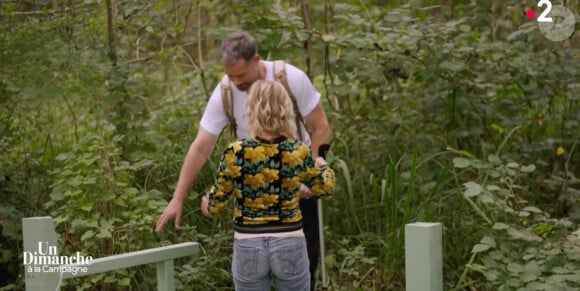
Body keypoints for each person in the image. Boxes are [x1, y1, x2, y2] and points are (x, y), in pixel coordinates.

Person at [154, 31, 332, 290]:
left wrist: (311, 173)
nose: (235, 82)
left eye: (240, 75)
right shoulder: (225, 92)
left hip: (296, 185)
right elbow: (201, 147)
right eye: (230, 75)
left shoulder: (290, 78)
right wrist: (177, 198)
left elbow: (320, 127)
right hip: (255, 191)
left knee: (308, 259)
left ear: (256, 60)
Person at [199, 80, 335, 290]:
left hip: (248, 243)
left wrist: (207, 202)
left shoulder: (235, 152)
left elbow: (216, 203)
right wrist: (323, 165)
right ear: (285, 110)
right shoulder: (297, 151)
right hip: (289, 242)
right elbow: (324, 188)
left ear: (251, 110)